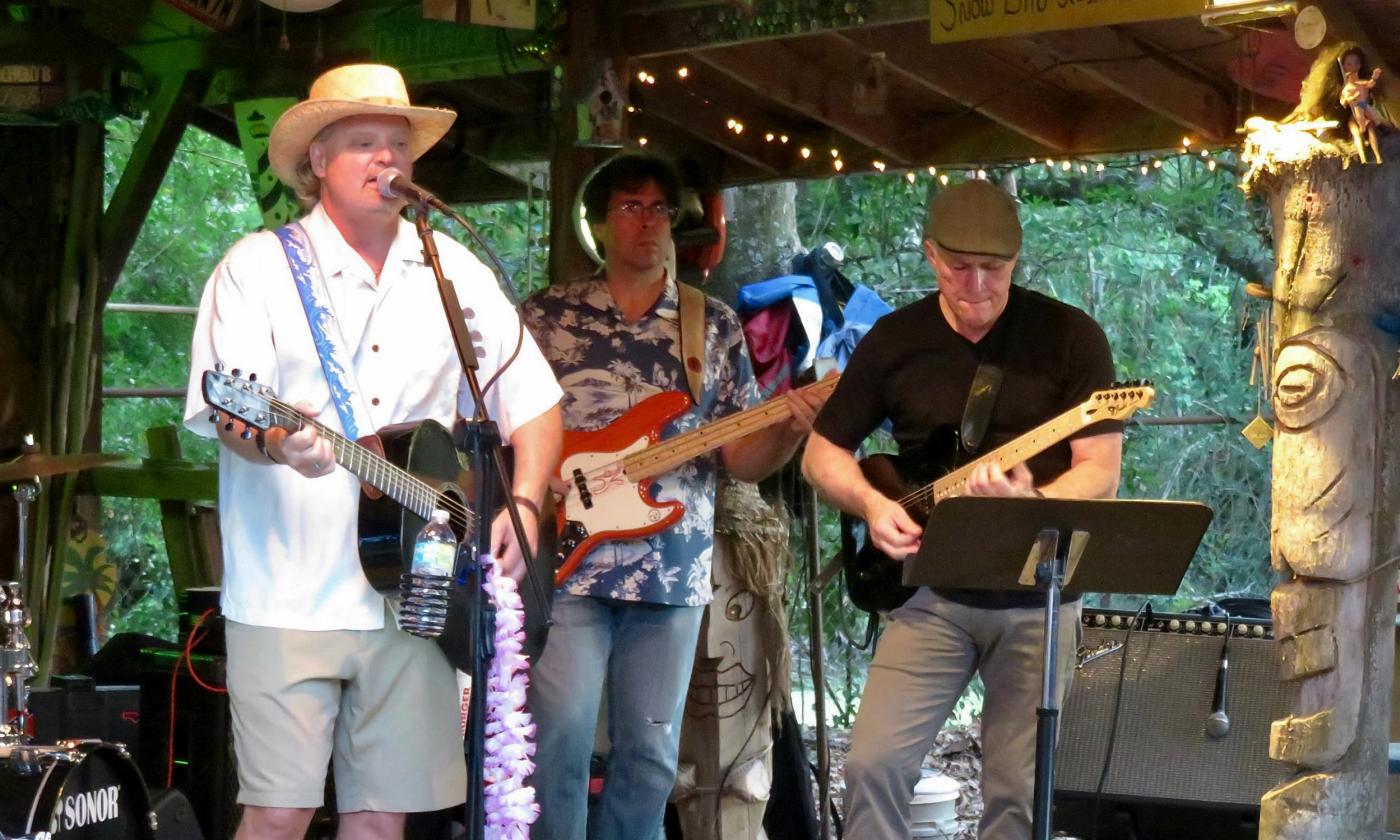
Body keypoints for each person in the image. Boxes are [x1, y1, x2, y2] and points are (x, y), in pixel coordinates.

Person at [181, 63, 563, 840]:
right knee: (279, 812)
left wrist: (522, 502)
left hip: (419, 593)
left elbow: (537, 401)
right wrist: (281, 445)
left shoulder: (454, 271)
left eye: (398, 143)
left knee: (383, 820)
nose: (386, 159)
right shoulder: (255, 269)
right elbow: (230, 412)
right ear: (316, 160)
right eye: (363, 143)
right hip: (289, 590)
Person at [801, 179, 1123, 839]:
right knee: (872, 766)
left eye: (994, 270)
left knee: (1018, 794)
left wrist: (1028, 505)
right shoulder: (895, 340)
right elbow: (821, 454)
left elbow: (1100, 472)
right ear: (929, 255)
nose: (976, 285)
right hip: (929, 592)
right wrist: (869, 502)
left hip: (1038, 594)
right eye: (959, 268)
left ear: (1017, 260)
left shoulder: (1070, 338)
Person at [520, 152, 826, 839]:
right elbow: (503, 422)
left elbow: (741, 460)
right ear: (600, 223)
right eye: (631, 206)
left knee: (651, 758)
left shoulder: (709, 325)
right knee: (557, 747)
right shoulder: (546, 316)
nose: (648, 222)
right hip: (567, 563)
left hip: (670, 570)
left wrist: (789, 429)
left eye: (660, 209)